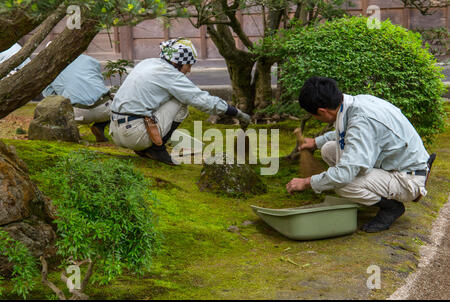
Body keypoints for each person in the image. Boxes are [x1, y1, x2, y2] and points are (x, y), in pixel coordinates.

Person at [286, 76, 435, 233]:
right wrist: (316, 142)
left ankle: (391, 208)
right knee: (328, 150)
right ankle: (374, 194)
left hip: (408, 177)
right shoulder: (356, 103)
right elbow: (348, 132)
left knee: (344, 184)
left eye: (314, 115)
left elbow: (344, 174)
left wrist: (308, 182)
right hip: (400, 161)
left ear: (322, 111)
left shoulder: (361, 121)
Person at [109, 38, 251, 165]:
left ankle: (147, 147)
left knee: (169, 98)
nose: (189, 70)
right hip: (134, 134)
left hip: (115, 131)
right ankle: (157, 149)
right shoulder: (171, 75)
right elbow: (202, 100)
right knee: (182, 101)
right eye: (188, 65)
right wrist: (237, 113)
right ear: (177, 62)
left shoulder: (147, 63)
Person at [42, 47, 112, 142]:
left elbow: (49, 95)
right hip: (104, 110)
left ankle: (69, 133)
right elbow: (98, 80)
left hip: (77, 113)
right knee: (114, 99)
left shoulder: (50, 69)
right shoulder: (89, 60)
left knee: (55, 104)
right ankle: (99, 127)